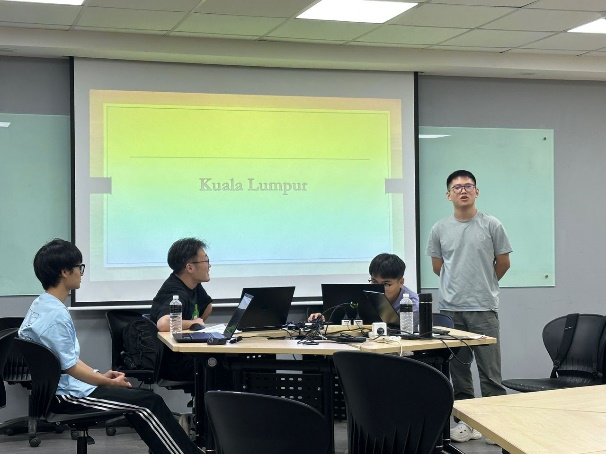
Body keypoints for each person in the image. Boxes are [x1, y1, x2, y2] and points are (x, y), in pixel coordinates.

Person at [19, 238, 200, 454]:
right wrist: (108, 382)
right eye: (79, 267)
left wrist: (99, 375)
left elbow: (68, 360)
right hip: (67, 397)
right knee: (148, 403)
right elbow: (71, 367)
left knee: (145, 401)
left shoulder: (41, 305)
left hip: (61, 391)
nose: (81, 273)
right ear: (65, 272)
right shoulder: (56, 316)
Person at [426, 170, 512, 444]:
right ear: (448, 195)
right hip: (451, 311)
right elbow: (438, 267)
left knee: (490, 372)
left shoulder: (492, 225)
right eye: (457, 187)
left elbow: (503, 263)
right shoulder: (439, 229)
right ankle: (466, 424)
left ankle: (496, 426)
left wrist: (483, 285)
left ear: (476, 191)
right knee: (460, 374)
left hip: (484, 309)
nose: (463, 190)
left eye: (468, 186)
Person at [150, 237, 212, 379]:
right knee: (225, 368)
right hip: (174, 361)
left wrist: (197, 326)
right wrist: (193, 323)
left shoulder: (193, 284)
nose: (209, 266)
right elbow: (163, 324)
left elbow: (208, 306)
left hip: (185, 354)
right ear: (189, 268)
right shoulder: (175, 291)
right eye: (206, 261)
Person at [308, 253, 419, 326]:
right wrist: (324, 319)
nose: (378, 288)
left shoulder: (414, 304)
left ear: (401, 282)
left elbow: (402, 333)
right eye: (374, 282)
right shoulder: (367, 295)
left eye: (386, 284)